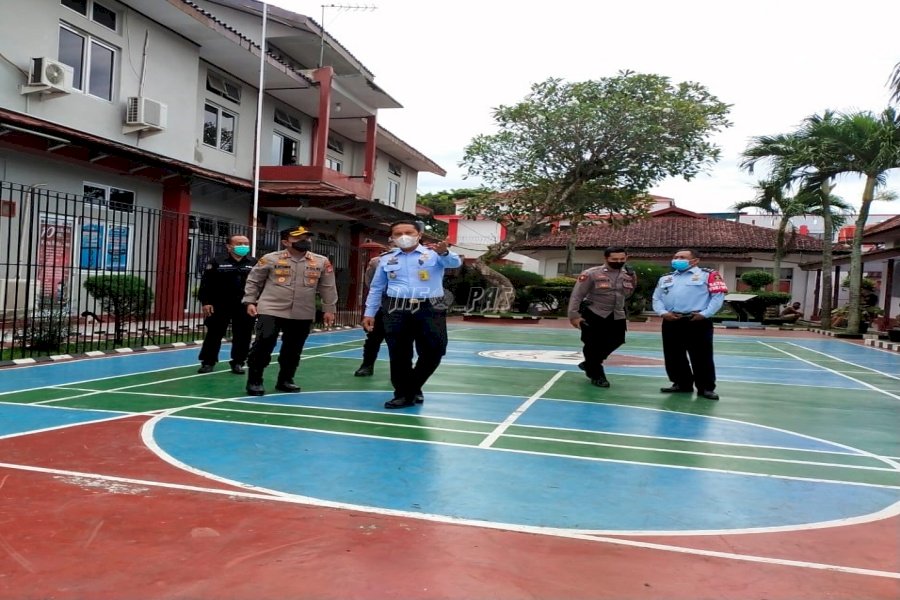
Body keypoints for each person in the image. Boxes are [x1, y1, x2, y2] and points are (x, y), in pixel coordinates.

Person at [362, 219, 462, 409]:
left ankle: (413, 386)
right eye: (398, 234)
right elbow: (376, 288)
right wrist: (370, 312)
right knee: (399, 353)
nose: (403, 237)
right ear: (392, 238)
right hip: (395, 308)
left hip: (429, 308)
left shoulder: (434, 255)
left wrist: (444, 252)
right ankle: (402, 394)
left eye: (408, 232)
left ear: (419, 235)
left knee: (435, 349)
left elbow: (454, 262)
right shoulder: (387, 259)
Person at [242, 226, 337, 396]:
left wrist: (329, 309)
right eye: (298, 238)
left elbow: (328, 287)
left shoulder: (321, 261)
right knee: (263, 345)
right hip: (271, 309)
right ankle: (255, 380)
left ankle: (285, 379)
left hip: (303, 312)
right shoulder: (270, 259)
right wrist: (250, 301)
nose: (305, 241)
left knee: (293, 349)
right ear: (286, 242)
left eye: (307, 237)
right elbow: (254, 281)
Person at [651, 249, 728, 401]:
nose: (677, 259)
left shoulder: (709, 275)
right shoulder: (666, 278)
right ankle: (681, 383)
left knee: (701, 356)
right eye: (676, 257)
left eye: (682, 257)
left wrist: (704, 314)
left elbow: (717, 297)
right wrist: (662, 313)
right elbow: (657, 298)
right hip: (672, 320)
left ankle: (706, 388)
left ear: (695, 261)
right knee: (673, 355)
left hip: (697, 320)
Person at [566, 246, 636, 387]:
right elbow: (577, 295)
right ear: (606, 258)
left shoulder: (628, 274)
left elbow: (628, 293)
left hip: (617, 314)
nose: (619, 261)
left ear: (626, 258)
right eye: (614, 259)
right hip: (594, 313)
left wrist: (632, 278)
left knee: (617, 340)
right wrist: (574, 316)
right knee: (592, 344)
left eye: (622, 259)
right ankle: (597, 375)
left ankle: (589, 363)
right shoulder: (591, 273)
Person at [196, 234, 257, 374]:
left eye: (246, 244)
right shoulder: (217, 262)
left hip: (244, 304)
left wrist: (255, 302)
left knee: (243, 335)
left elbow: (259, 284)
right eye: (239, 243)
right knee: (214, 333)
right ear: (229, 246)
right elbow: (206, 283)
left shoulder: (253, 262)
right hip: (219, 304)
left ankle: (238, 362)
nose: (243, 246)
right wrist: (206, 302)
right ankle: (208, 362)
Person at [353, 246, 390, 377]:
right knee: (373, 338)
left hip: (403, 307)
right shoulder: (376, 262)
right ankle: (367, 365)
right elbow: (371, 283)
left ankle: (399, 369)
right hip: (381, 306)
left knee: (401, 340)